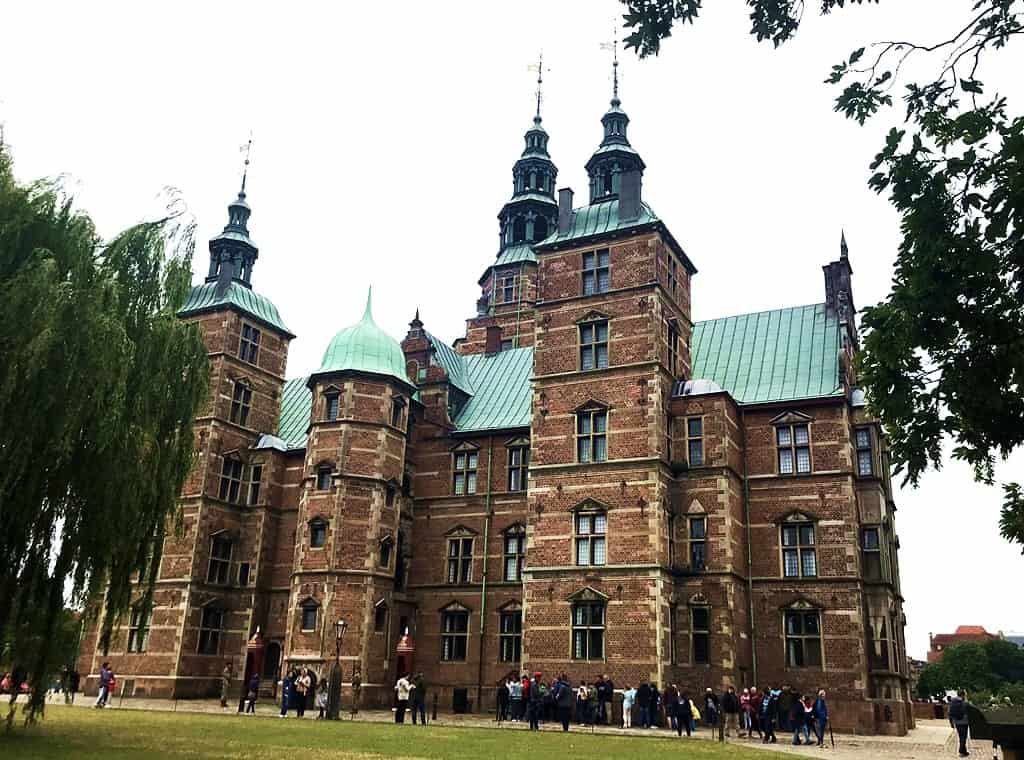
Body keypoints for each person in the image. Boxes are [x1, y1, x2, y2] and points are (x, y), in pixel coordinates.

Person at [949, 689, 971, 758]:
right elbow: (969, 712)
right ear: (963, 695)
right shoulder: (965, 703)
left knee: (960, 736)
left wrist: (951, 723)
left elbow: (949, 713)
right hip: (964, 722)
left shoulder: (953, 702)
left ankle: (964, 751)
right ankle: (961, 751)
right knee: (963, 737)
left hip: (957, 722)